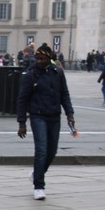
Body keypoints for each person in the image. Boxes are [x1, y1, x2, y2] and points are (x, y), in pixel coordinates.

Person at [17, 44, 74, 201]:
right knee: (41, 149)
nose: (39, 61)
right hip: (38, 116)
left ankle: (37, 173)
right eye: (37, 58)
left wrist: (70, 114)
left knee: (52, 151)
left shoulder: (58, 73)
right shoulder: (31, 75)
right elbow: (22, 100)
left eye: (42, 58)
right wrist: (22, 122)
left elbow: (65, 95)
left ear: (49, 58)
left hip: (55, 116)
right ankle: (39, 186)